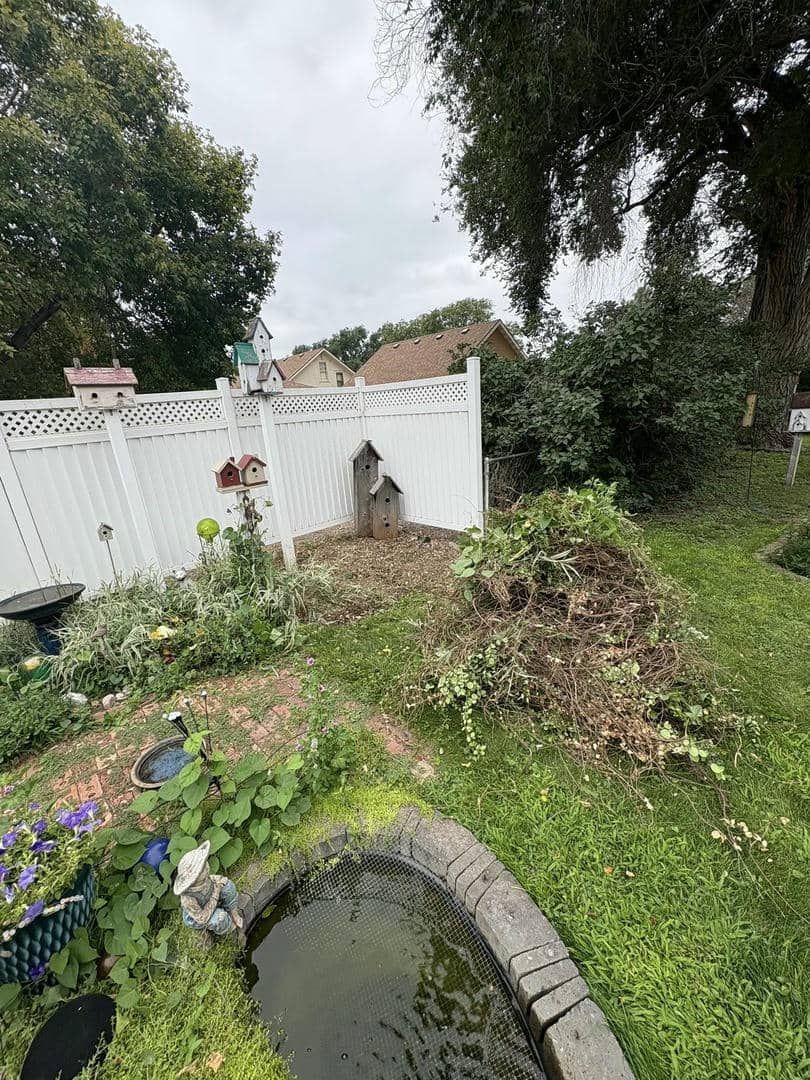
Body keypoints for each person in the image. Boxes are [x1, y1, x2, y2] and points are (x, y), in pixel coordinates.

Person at [173, 840, 243, 936]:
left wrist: (221, 882)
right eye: (201, 870)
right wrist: (215, 895)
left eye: (204, 864)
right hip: (201, 915)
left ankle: (234, 913)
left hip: (211, 898)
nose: (206, 867)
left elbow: (214, 879)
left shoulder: (204, 879)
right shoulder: (188, 898)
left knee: (228, 886)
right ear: (193, 879)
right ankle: (229, 930)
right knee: (220, 917)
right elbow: (203, 918)